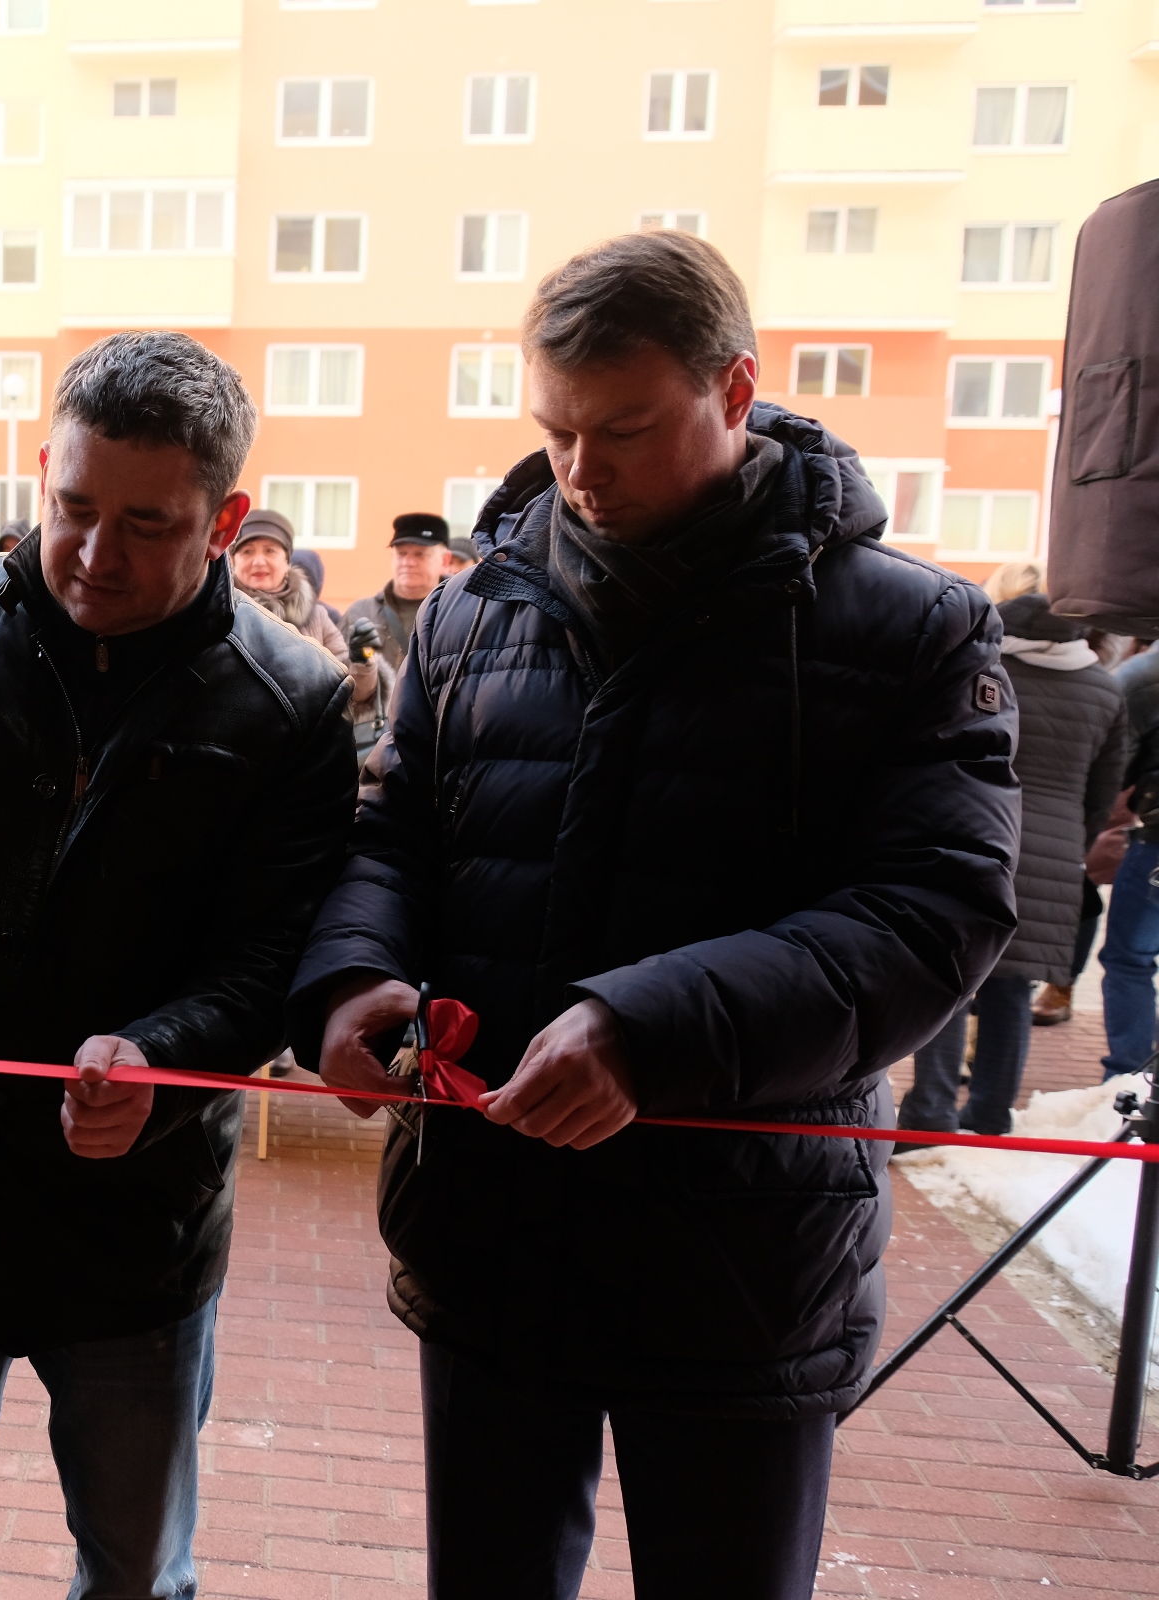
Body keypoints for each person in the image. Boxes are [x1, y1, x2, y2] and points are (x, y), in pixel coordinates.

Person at [292, 232, 1017, 1599]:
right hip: (495, 1229)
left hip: (745, 1249)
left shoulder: (914, 629)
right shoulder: (469, 614)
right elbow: (397, 834)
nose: (582, 470)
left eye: (623, 429)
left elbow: (934, 915)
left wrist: (647, 1032)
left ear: (735, 390)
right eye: (555, 430)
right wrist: (350, 973)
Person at [0, 331, 355, 1595]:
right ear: (42, 468)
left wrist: (165, 1057)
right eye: (74, 508)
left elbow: (274, 951)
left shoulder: (295, 699)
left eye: (147, 525)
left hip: (140, 1214)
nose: (94, 555)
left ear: (227, 520)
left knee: (136, 1570)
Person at [902, 592, 1125, 1132]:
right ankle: (991, 1114)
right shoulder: (1104, 689)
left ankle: (930, 1113)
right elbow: (1104, 789)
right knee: (1012, 989)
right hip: (1057, 852)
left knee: (950, 979)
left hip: (975, 832)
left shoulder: (984, 673)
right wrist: (1075, 846)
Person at [1100, 640, 1159, 1078]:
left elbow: (1115, 767)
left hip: (1156, 844)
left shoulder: (1144, 675)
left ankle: (1130, 1078)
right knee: (1129, 960)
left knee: (1129, 961)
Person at [227, 509, 349, 663]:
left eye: (270, 551)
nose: (258, 562)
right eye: (247, 552)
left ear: (287, 560)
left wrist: (362, 662)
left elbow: (346, 672)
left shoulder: (317, 617)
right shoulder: (218, 612)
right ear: (233, 561)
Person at [342, 511, 447, 673]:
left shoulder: (460, 612)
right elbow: (335, 674)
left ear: (445, 560)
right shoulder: (360, 613)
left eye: (420, 554)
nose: (408, 562)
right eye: (401, 554)